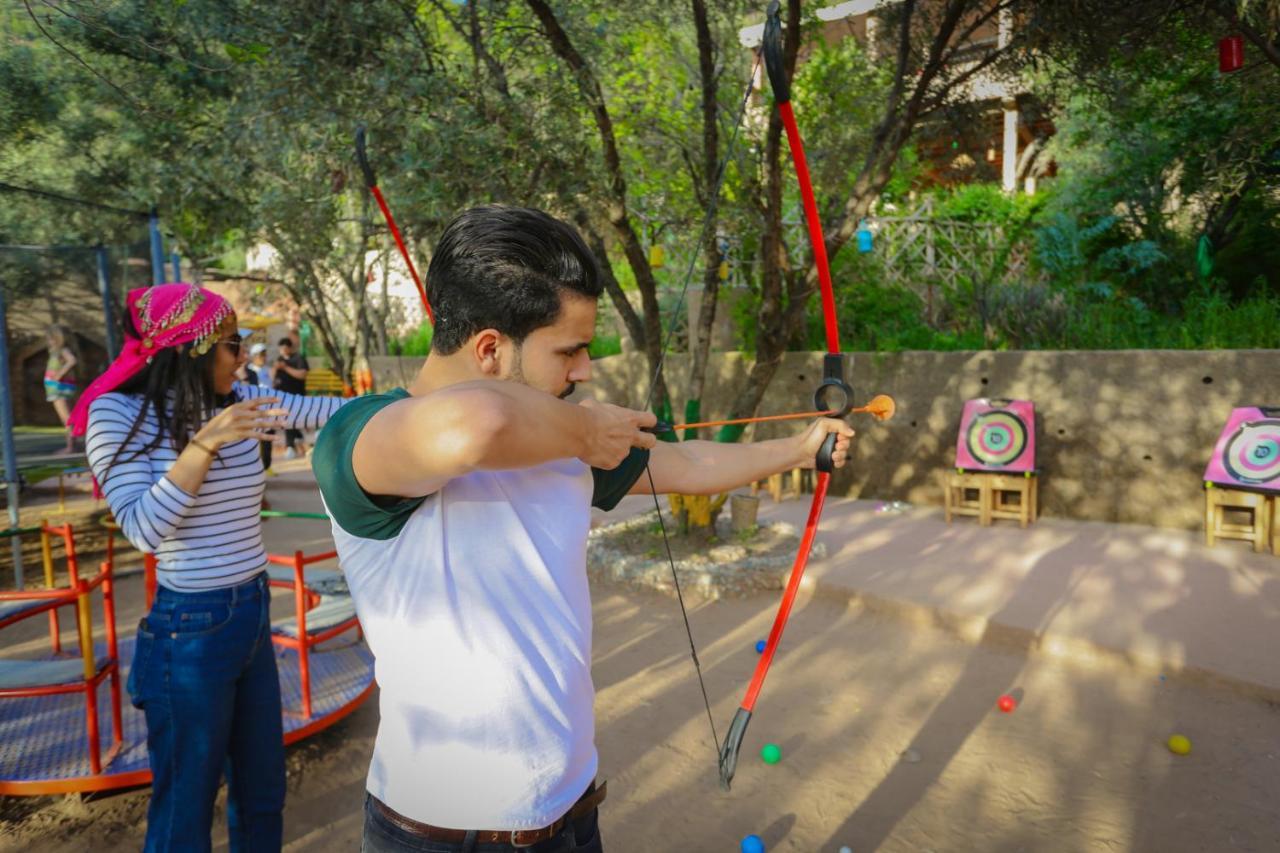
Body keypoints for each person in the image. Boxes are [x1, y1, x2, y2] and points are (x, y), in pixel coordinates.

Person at [310, 206, 853, 853]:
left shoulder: (563, 436)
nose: (585, 370)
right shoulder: (363, 435)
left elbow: (686, 463)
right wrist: (586, 431)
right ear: (489, 348)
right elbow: (474, 427)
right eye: (569, 350)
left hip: (571, 816)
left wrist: (800, 448)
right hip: (440, 835)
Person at [71, 283, 349, 853]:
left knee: (263, 790)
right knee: (186, 806)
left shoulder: (238, 399)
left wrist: (421, 398)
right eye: (230, 344)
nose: (243, 354)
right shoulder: (116, 414)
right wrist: (203, 445)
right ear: (188, 350)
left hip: (250, 610)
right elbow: (145, 530)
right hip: (190, 630)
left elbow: (333, 411)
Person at [44, 324, 78, 453]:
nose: (48, 341)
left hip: (58, 389)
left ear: (57, 339)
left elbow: (72, 361)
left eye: (50, 338)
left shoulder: (62, 350)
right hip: (59, 388)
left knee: (67, 419)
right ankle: (73, 444)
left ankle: (70, 447)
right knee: (68, 418)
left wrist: (59, 374)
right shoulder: (56, 352)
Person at [273, 337, 309, 458]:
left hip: (297, 396)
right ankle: (297, 442)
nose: (282, 351)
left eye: (284, 348)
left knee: (290, 420)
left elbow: (302, 375)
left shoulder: (298, 359)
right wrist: (275, 368)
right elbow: (273, 377)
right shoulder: (279, 360)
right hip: (282, 396)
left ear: (289, 348)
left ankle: (291, 446)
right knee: (288, 420)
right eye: (280, 349)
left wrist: (285, 368)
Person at [245, 342, 276, 474]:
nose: (264, 357)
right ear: (254, 356)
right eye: (261, 355)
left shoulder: (266, 370)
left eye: (264, 354)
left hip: (268, 409)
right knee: (255, 440)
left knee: (268, 438)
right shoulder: (249, 371)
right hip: (256, 410)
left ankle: (267, 466)